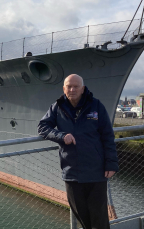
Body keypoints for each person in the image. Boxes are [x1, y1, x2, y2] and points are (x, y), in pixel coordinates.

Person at [37, 74, 119, 229]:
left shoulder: (96, 106)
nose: (72, 89)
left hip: (97, 172)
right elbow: (42, 127)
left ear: (83, 89)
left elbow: (108, 136)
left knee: (99, 219)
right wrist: (61, 136)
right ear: (64, 88)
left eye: (76, 86)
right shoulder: (57, 107)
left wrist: (111, 164)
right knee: (82, 217)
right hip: (72, 173)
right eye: (69, 86)